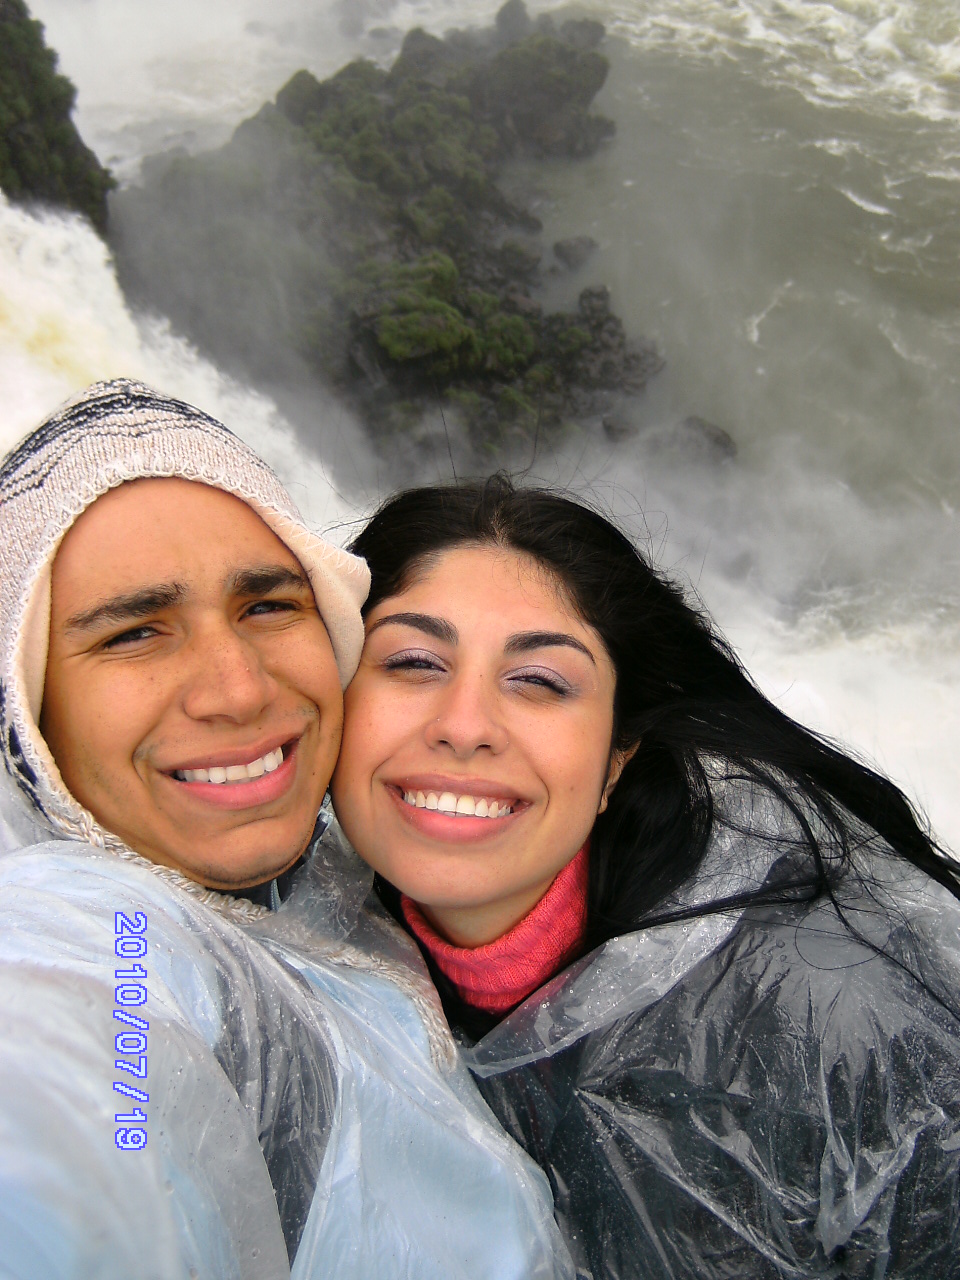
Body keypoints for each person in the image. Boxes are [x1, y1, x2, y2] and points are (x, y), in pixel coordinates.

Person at [0, 384, 572, 1280]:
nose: (238, 689)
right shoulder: (102, 934)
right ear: (30, 710)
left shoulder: (352, 868)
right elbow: (77, 1097)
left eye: (268, 606)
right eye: (133, 634)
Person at [331, 474, 960, 1279]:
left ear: (615, 762)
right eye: (415, 661)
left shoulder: (832, 1023)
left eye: (540, 681)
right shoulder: (311, 952)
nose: (464, 727)